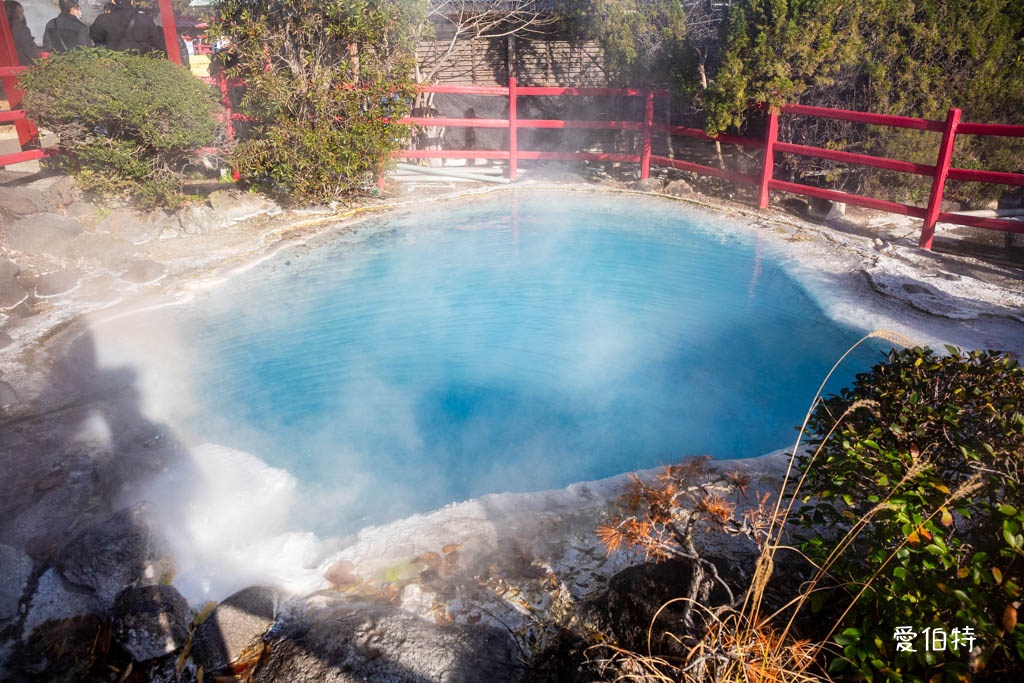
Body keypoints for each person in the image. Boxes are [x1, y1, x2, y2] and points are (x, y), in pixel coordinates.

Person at [89, 0, 163, 54]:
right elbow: (156, 41)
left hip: (112, 65)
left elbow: (96, 39)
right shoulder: (146, 20)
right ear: (131, 1)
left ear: (113, 1)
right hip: (140, 67)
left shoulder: (102, 19)